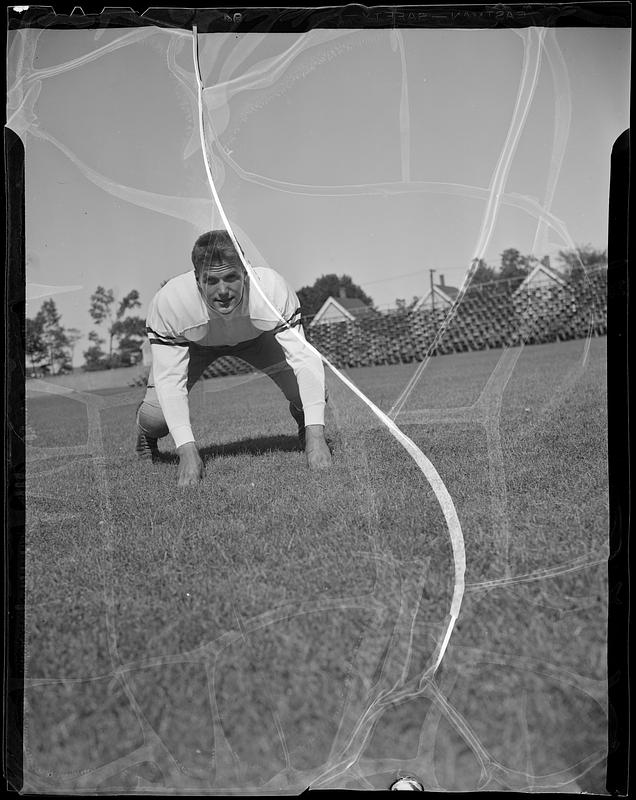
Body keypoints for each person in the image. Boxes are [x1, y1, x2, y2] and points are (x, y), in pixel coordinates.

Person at [135, 230, 332, 486]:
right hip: (194, 344)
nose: (223, 290)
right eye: (212, 281)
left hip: (257, 338)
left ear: (246, 273)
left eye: (231, 277)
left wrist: (316, 437)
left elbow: (305, 361)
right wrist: (186, 451)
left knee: (310, 390)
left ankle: (304, 427)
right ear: (197, 280)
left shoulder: (271, 288)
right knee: (156, 418)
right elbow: (169, 381)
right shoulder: (171, 302)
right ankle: (144, 435)